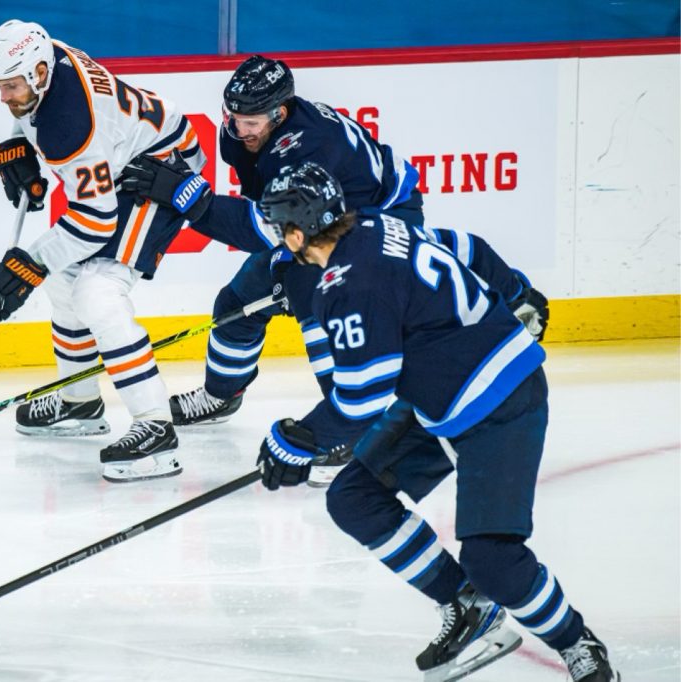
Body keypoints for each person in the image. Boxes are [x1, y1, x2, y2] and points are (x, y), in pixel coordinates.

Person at [254, 161, 620, 682]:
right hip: (441, 397)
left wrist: (297, 442)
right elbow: (467, 246)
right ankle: (467, 605)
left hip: (501, 404)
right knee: (354, 498)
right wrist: (515, 290)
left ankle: (576, 641)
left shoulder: (347, 287)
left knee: (493, 560)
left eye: (279, 229)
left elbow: (362, 397)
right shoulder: (379, 224)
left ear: (296, 234)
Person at [0, 20, 245, 483]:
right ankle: (80, 401)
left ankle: (155, 428)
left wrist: (28, 266)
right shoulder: (46, 58)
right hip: (120, 154)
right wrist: (20, 142)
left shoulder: (70, 126)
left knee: (97, 291)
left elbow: (95, 221)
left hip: (159, 169)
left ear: (39, 73)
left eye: (11, 86)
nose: (4, 97)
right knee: (63, 281)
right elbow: (36, 114)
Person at [125, 54, 426, 427]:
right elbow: (272, 212)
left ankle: (350, 426)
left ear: (279, 114)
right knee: (237, 302)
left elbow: (259, 230)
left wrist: (186, 197)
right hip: (323, 220)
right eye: (234, 118)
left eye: (251, 122)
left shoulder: (307, 148)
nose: (240, 129)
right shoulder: (243, 133)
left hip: (380, 220)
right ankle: (220, 396)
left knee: (317, 300)